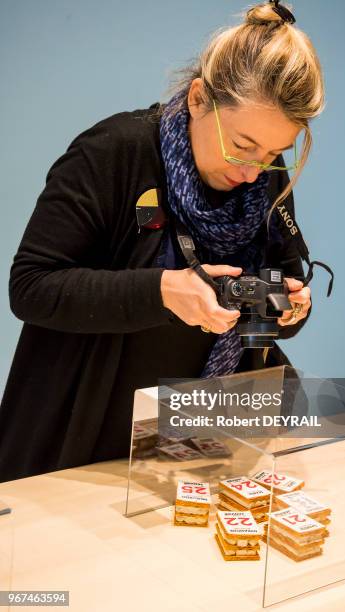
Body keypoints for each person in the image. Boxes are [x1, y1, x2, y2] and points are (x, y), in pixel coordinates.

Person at [0, 1, 324, 482]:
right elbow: (31, 287)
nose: (252, 170)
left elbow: (270, 305)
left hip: (207, 442)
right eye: (241, 145)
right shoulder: (114, 153)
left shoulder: (265, 181)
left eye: (275, 153)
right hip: (88, 446)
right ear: (198, 99)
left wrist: (286, 307)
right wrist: (161, 292)